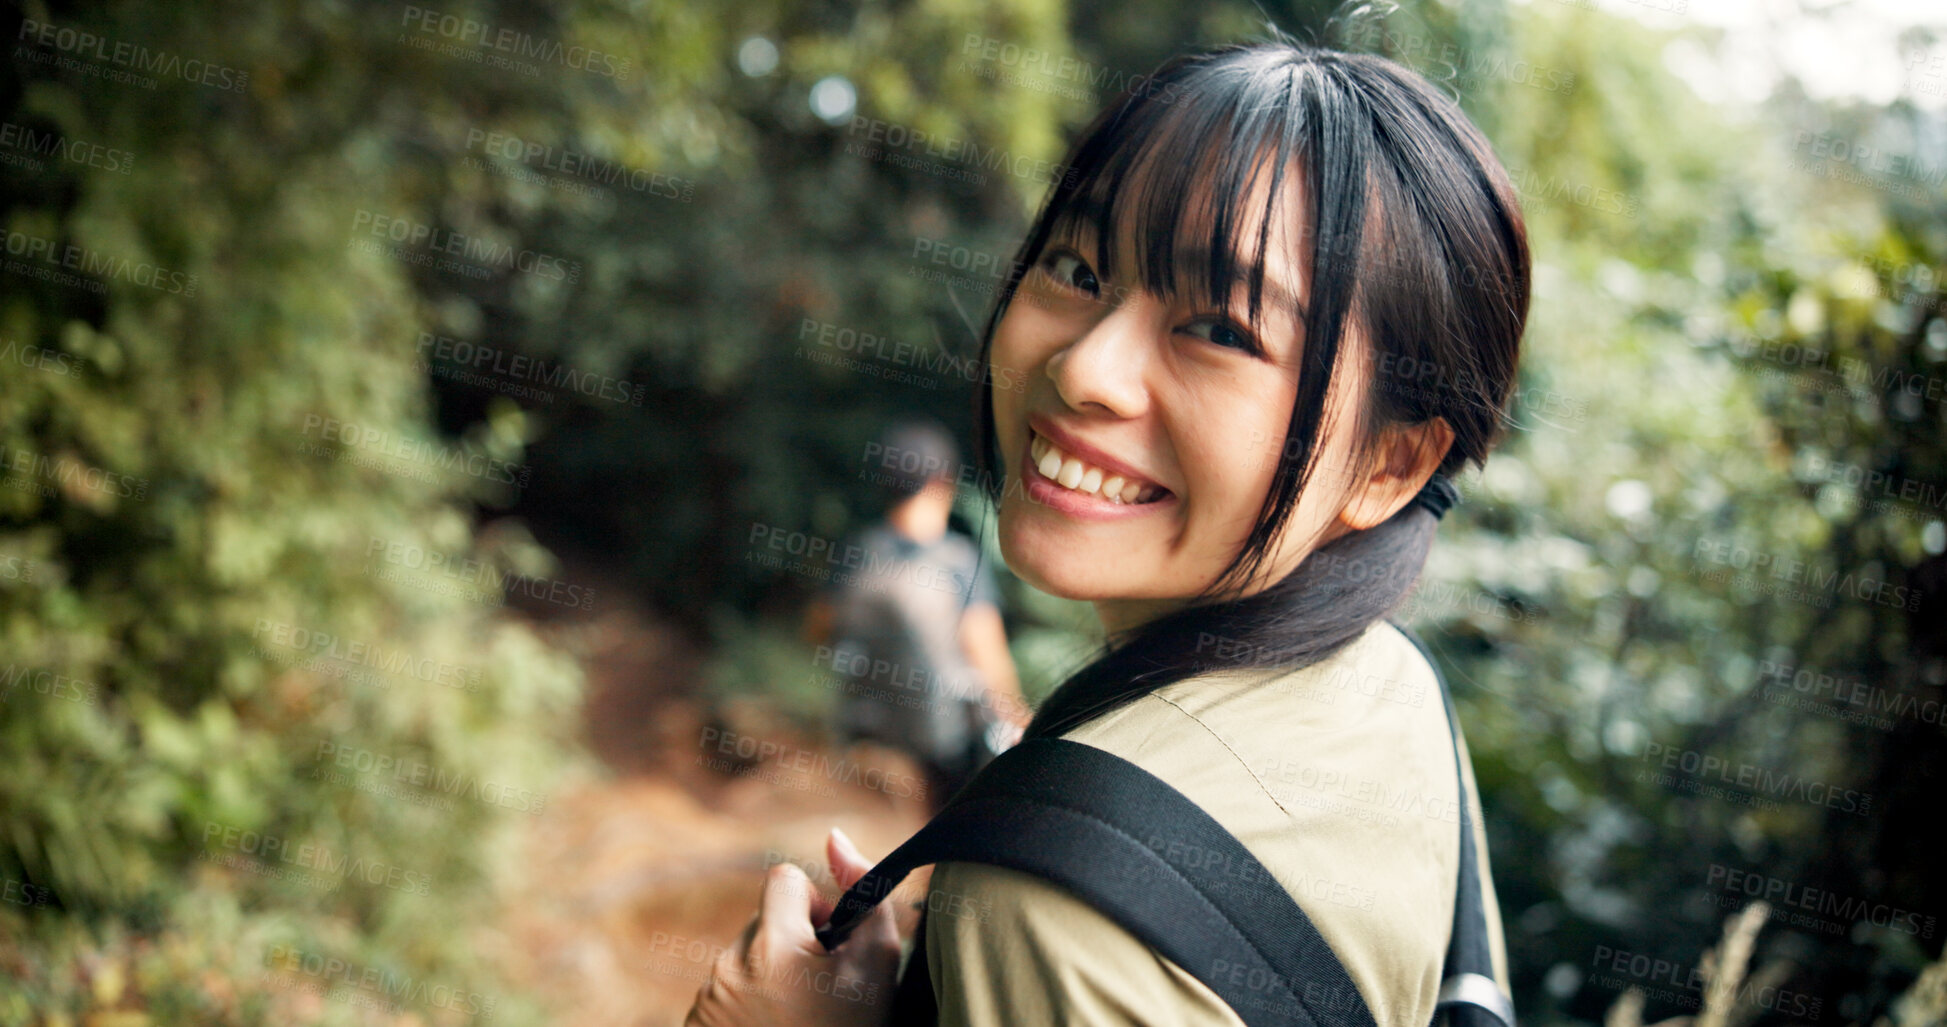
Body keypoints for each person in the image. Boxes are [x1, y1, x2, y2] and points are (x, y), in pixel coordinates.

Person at [688, 36, 1530, 1027]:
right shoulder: (1393, 688)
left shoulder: (1051, 908)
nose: (1086, 368)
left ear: (1391, 463)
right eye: (1077, 266)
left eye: (1221, 329)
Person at [803, 419, 1028, 810]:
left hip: (864, 730)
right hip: (944, 747)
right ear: (943, 483)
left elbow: (819, 629)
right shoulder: (958, 560)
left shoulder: (859, 552)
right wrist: (1021, 720)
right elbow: (986, 654)